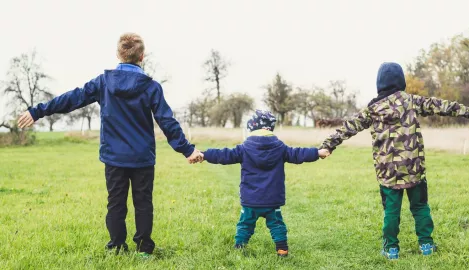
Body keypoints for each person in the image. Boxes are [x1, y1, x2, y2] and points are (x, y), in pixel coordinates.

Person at [17, 32, 203, 258]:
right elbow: (167, 121)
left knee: (115, 203)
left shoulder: (104, 83)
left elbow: (71, 99)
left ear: (118, 54)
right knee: (143, 202)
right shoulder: (151, 87)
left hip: (114, 158)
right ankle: (144, 249)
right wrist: (187, 150)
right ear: (142, 56)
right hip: (142, 158)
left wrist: (37, 111)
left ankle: (116, 246)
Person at [319, 62, 469, 260]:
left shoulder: (372, 109)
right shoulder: (410, 101)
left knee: (391, 211)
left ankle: (391, 249)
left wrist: (328, 145)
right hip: (413, 168)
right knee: (420, 207)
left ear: (379, 83)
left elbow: (348, 127)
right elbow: (439, 105)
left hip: (388, 172)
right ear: (401, 81)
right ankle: (426, 244)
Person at [198, 110, 330, 257]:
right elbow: (298, 153)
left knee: (245, 224)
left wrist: (205, 154)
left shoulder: (244, 148)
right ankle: (282, 249)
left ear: (251, 128)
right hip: (272, 199)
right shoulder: (280, 148)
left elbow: (224, 155)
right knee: (276, 225)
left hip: (250, 200)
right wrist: (317, 153)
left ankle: (239, 247)